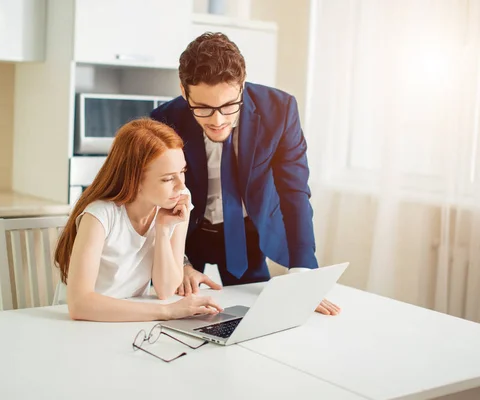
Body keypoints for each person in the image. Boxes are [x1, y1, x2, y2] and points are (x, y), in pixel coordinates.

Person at [150, 33, 340, 315]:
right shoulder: (162, 120)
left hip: (246, 236)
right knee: (177, 316)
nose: (217, 121)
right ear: (183, 90)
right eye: (202, 108)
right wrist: (181, 263)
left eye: (228, 106)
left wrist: (303, 271)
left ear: (241, 86)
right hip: (185, 235)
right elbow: (152, 202)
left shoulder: (280, 111)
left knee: (256, 318)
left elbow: (294, 192)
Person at [54, 118, 223, 322]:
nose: (180, 186)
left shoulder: (175, 202)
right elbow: (80, 305)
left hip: (131, 319)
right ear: (134, 179)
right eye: (168, 178)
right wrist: (168, 312)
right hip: (79, 324)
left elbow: (166, 289)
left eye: (182, 172)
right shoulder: (99, 216)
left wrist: (162, 230)